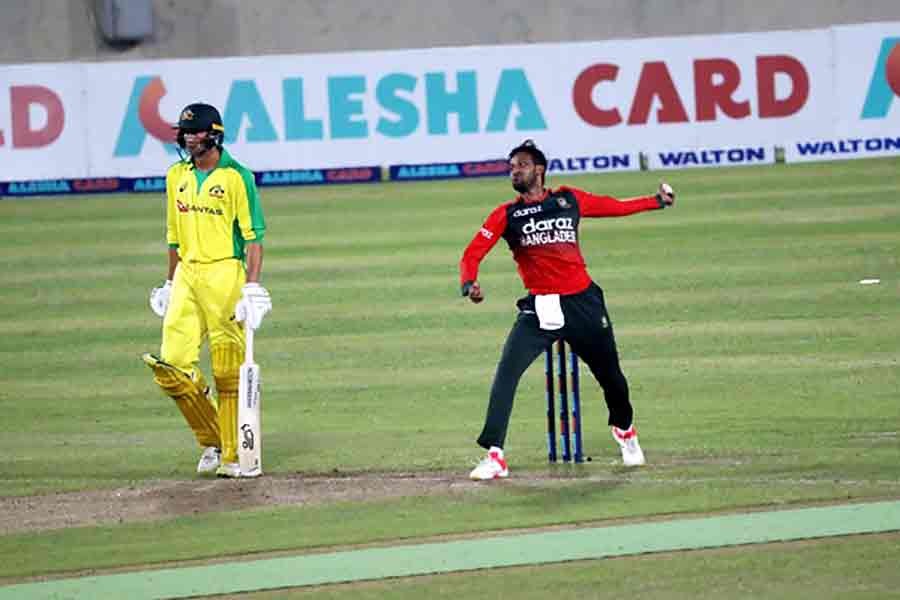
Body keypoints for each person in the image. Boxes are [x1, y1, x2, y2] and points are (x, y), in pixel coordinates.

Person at [459, 139, 675, 480]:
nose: (514, 171)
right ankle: (495, 456)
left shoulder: (568, 199)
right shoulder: (506, 214)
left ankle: (624, 430)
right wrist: (469, 283)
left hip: (583, 303)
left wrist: (656, 201)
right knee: (506, 375)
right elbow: (472, 253)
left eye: (521, 165)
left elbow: (614, 207)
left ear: (539, 169)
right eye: (511, 167)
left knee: (611, 377)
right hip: (540, 307)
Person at [143, 102, 272, 478]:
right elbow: (173, 236)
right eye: (185, 132)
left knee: (227, 370)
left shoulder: (237, 177)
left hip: (225, 274)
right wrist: (170, 282)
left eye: (196, 131)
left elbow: (253, 238)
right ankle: (215, 438)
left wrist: (251, 287)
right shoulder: (175, 175)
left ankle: (232, 455)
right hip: (187, 274)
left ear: (214, 134)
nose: (188, 138)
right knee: (171, 367)